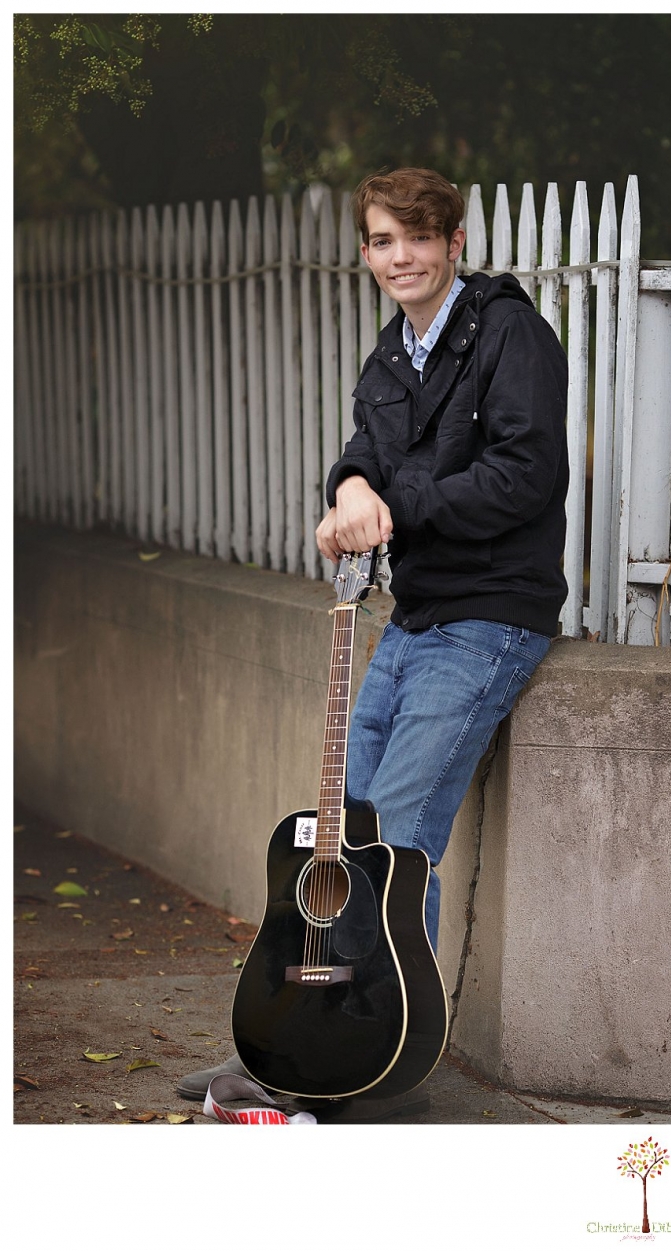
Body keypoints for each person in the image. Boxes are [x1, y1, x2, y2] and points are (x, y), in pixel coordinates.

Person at [176, 167, 569, 1117]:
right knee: (337, 833)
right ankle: (308, 1045)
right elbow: (366, 447)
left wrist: (395, 505)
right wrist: (350, 486)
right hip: (415, 613)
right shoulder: (394, 352)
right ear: (366, 253)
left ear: (454, 243)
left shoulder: (509, 332)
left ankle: (366, 1059)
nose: (402, 257)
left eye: (418, 239)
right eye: (383, 242)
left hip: (490, 617)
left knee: (393, 841)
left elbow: (526, 474)